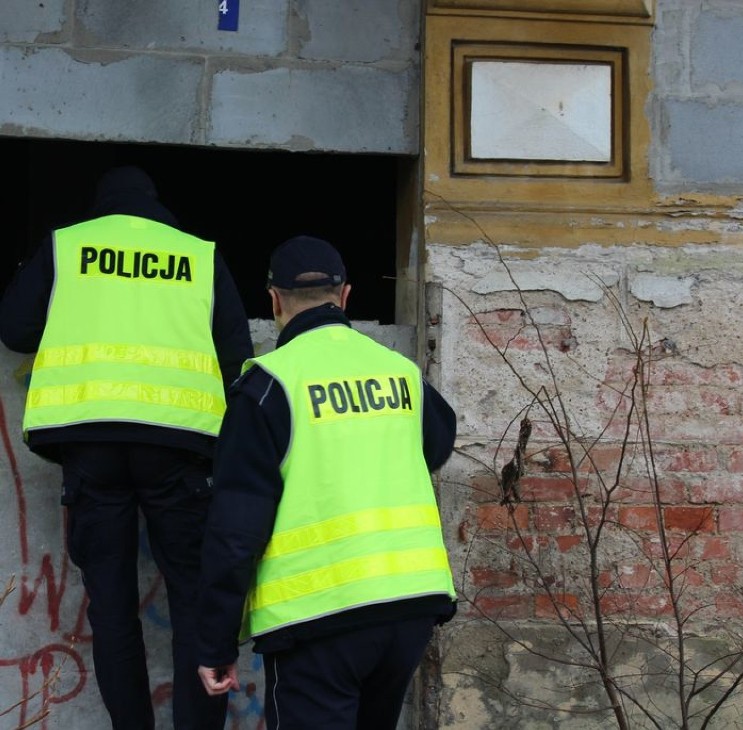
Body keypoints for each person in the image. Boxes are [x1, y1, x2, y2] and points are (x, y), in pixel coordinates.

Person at [0, 165, 254, 730]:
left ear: (101, 207)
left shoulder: (68, 247)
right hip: (179, 447)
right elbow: (237, 357)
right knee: (193, 601)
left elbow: (15, 329)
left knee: (113, 609)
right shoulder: (197, 255)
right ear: (156, 206)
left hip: (90, 444)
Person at [195, 235, 457, 729]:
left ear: (273, 300)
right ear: (347, 295)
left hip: (320, 623)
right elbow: (437, 447)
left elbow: (234, 532)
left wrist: (214, 642)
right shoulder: (399, 371)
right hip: (409, 611)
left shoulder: (269, 386)